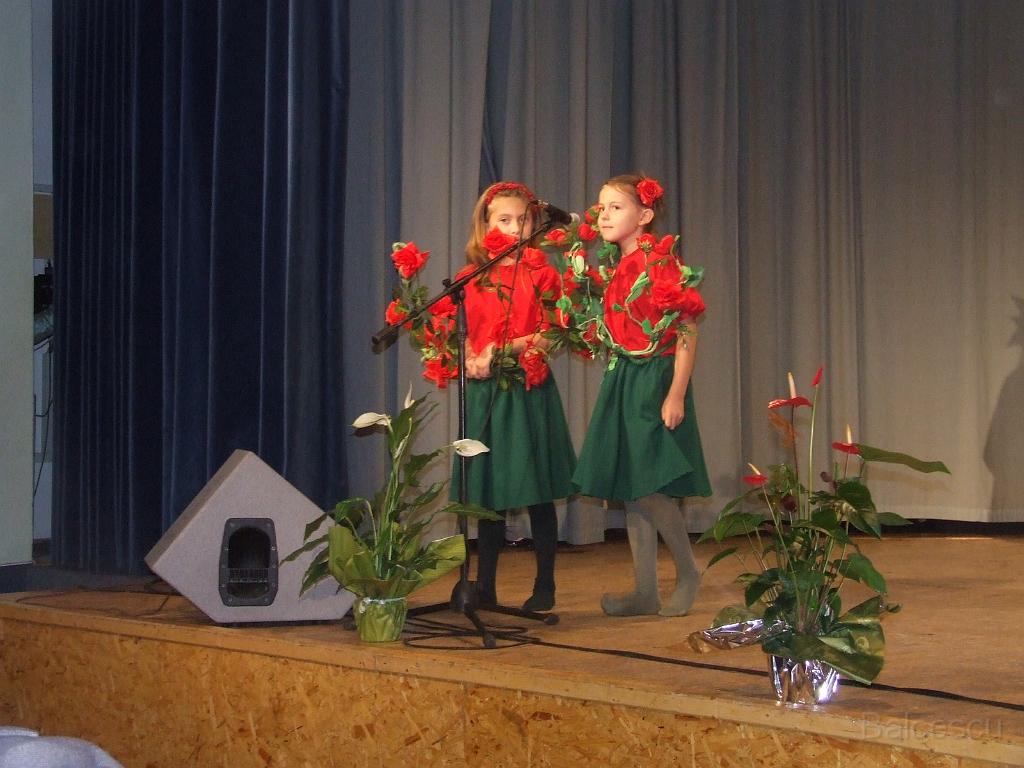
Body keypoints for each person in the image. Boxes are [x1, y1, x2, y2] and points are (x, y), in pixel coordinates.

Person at [573, 174, 711, 617]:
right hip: (624, 377)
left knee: (650, 487)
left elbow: (687, 330)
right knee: (632, 489)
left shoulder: (660, 265)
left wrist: (675, 394)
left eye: (616, 207)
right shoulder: (618, 266)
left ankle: (688, 572)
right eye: (601, 207)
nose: (603, 215)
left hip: (655, 379)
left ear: (645, 215)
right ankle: (645, 591)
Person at [452, 181, 577, 612]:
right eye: (503, 220)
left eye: (522, 220)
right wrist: (470, 357)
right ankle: (485, 586)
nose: (513, 228)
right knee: (489, 492)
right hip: (486, 391)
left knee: (537, 488)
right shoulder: (470, 277)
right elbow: (464, 332)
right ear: (485, 225)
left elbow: (552, 332)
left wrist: (504, 350)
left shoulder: (542, 273)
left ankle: (545, 584)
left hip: (527, 387)